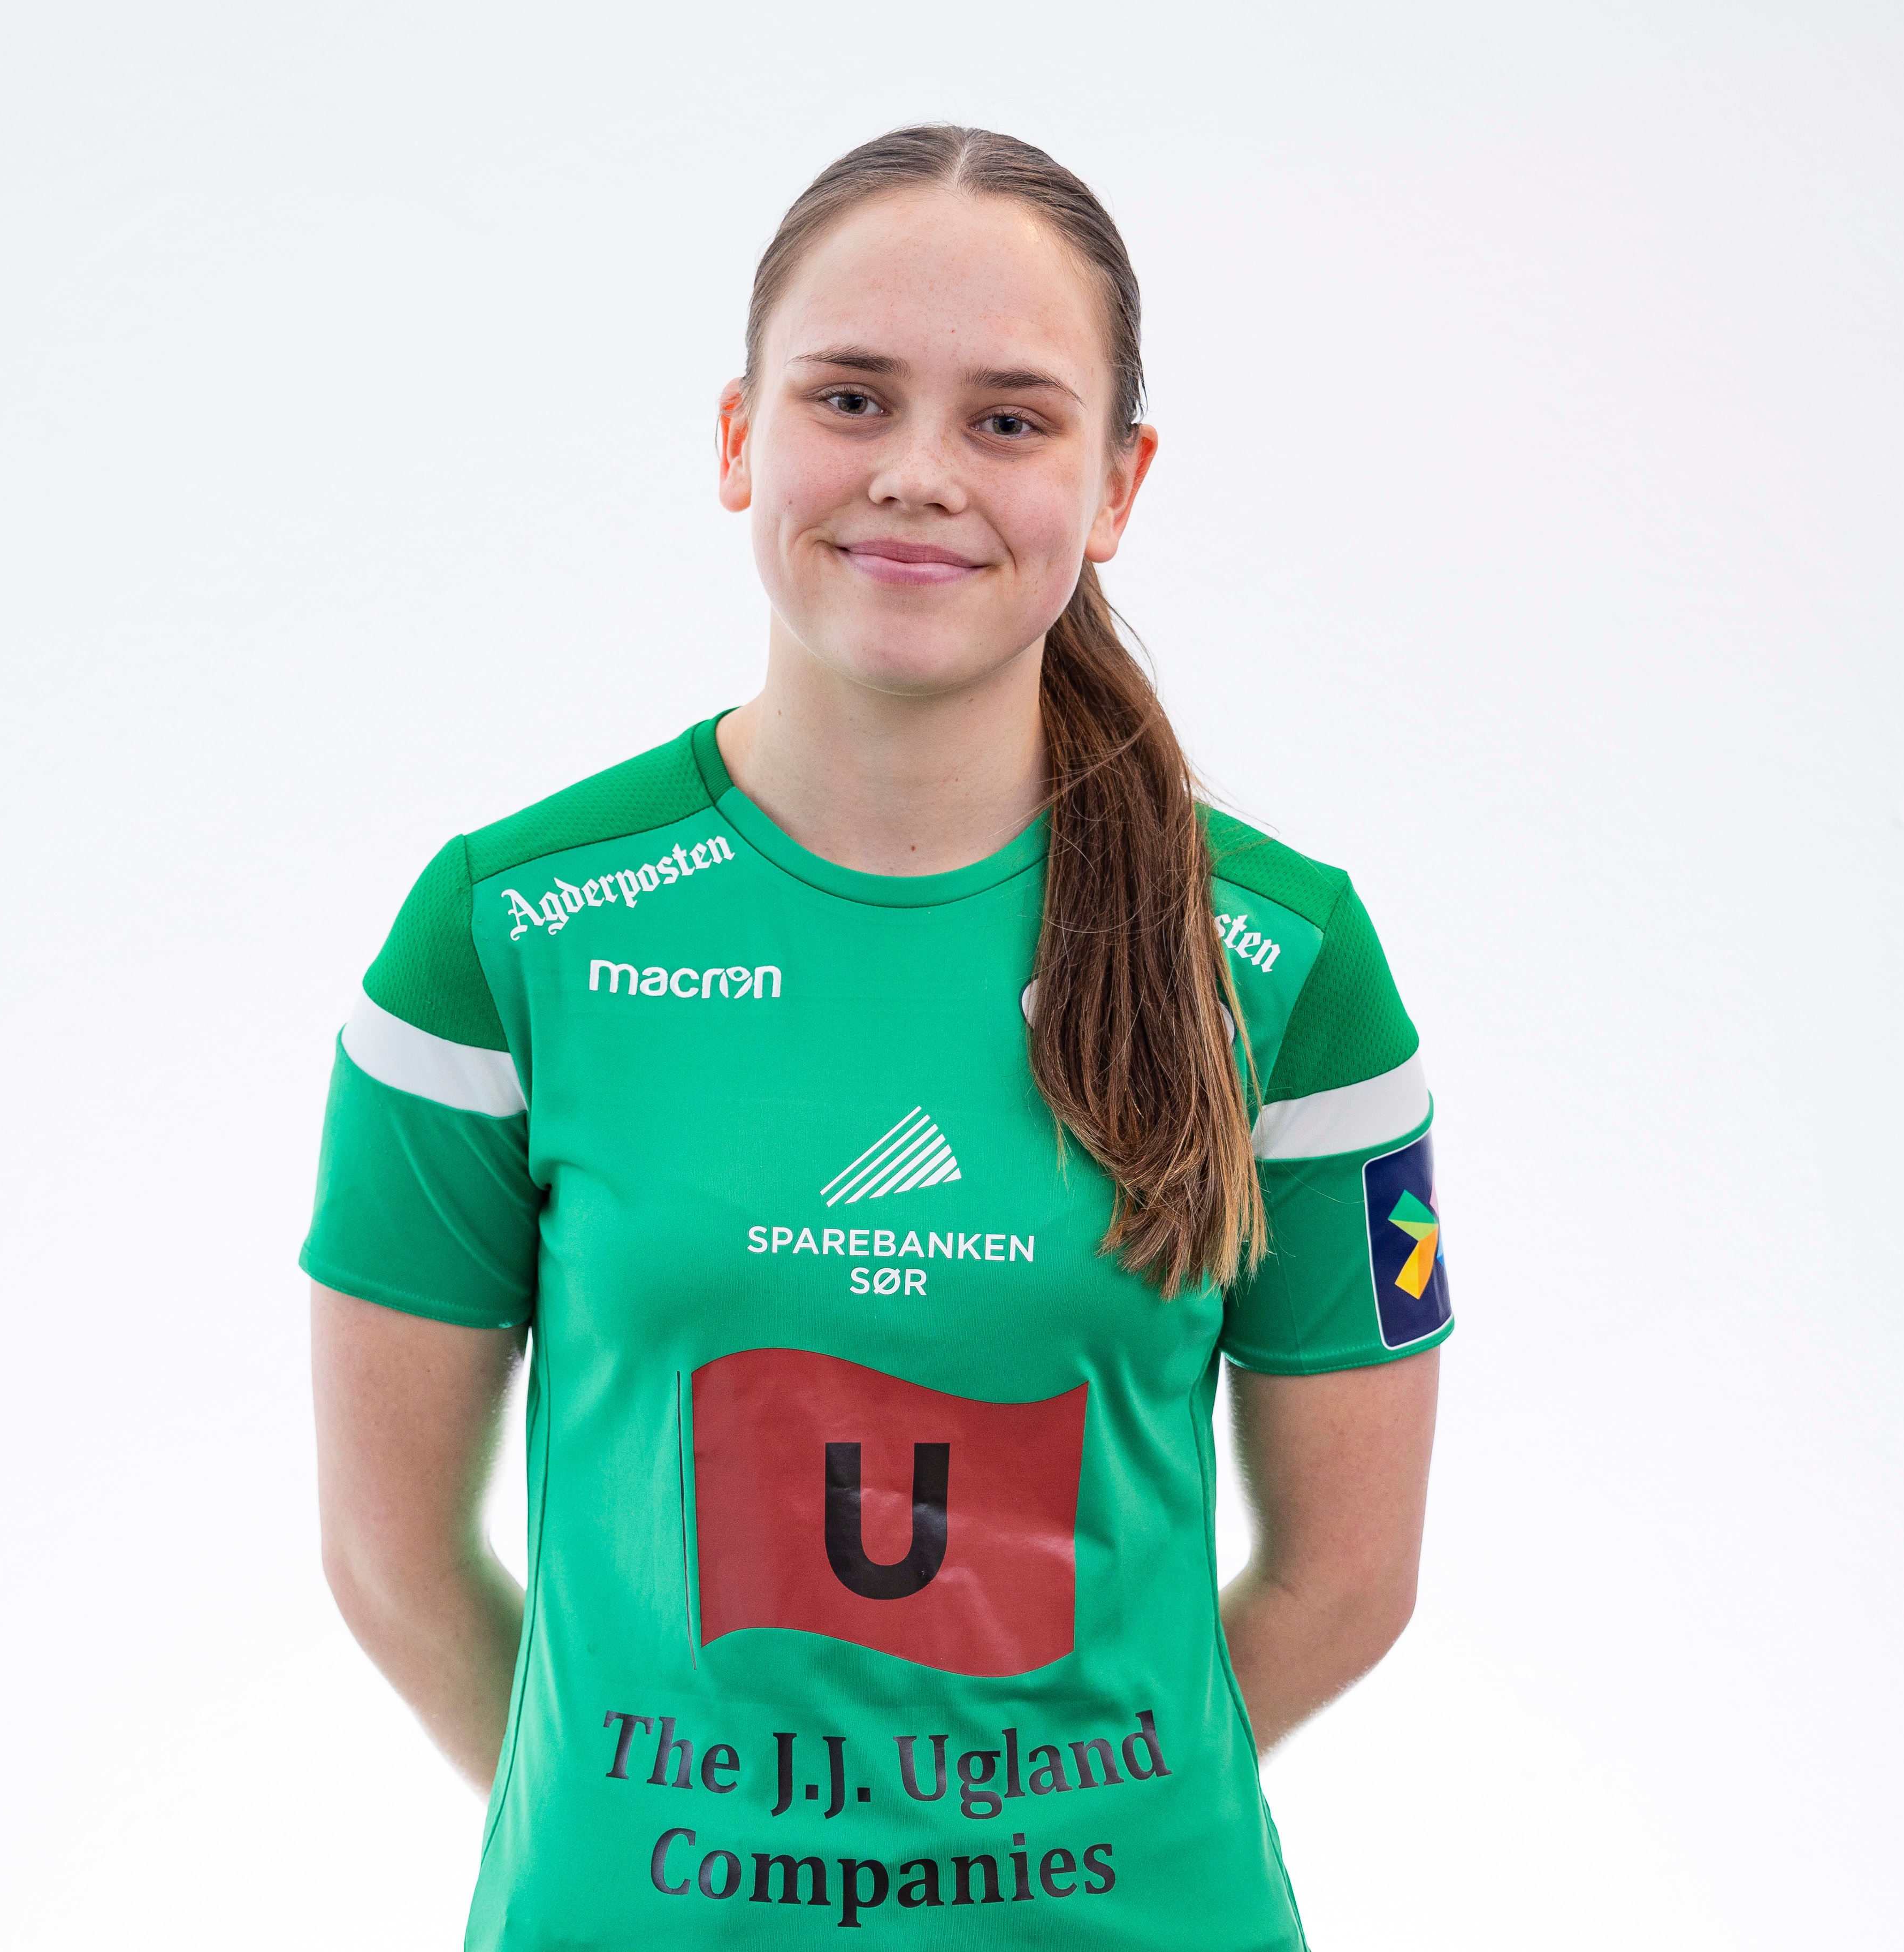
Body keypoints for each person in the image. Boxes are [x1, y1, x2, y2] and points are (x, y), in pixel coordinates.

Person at [304, 124, 1447, 1949]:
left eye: (1010, 420)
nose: (919, 474)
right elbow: (393, 1562)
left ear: (1118, 483)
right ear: (739, 438)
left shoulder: (1290, 961)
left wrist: (1036, 1835)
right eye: (851, 399)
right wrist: (658, 1832)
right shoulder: (505, 934)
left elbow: (1348, 1583)